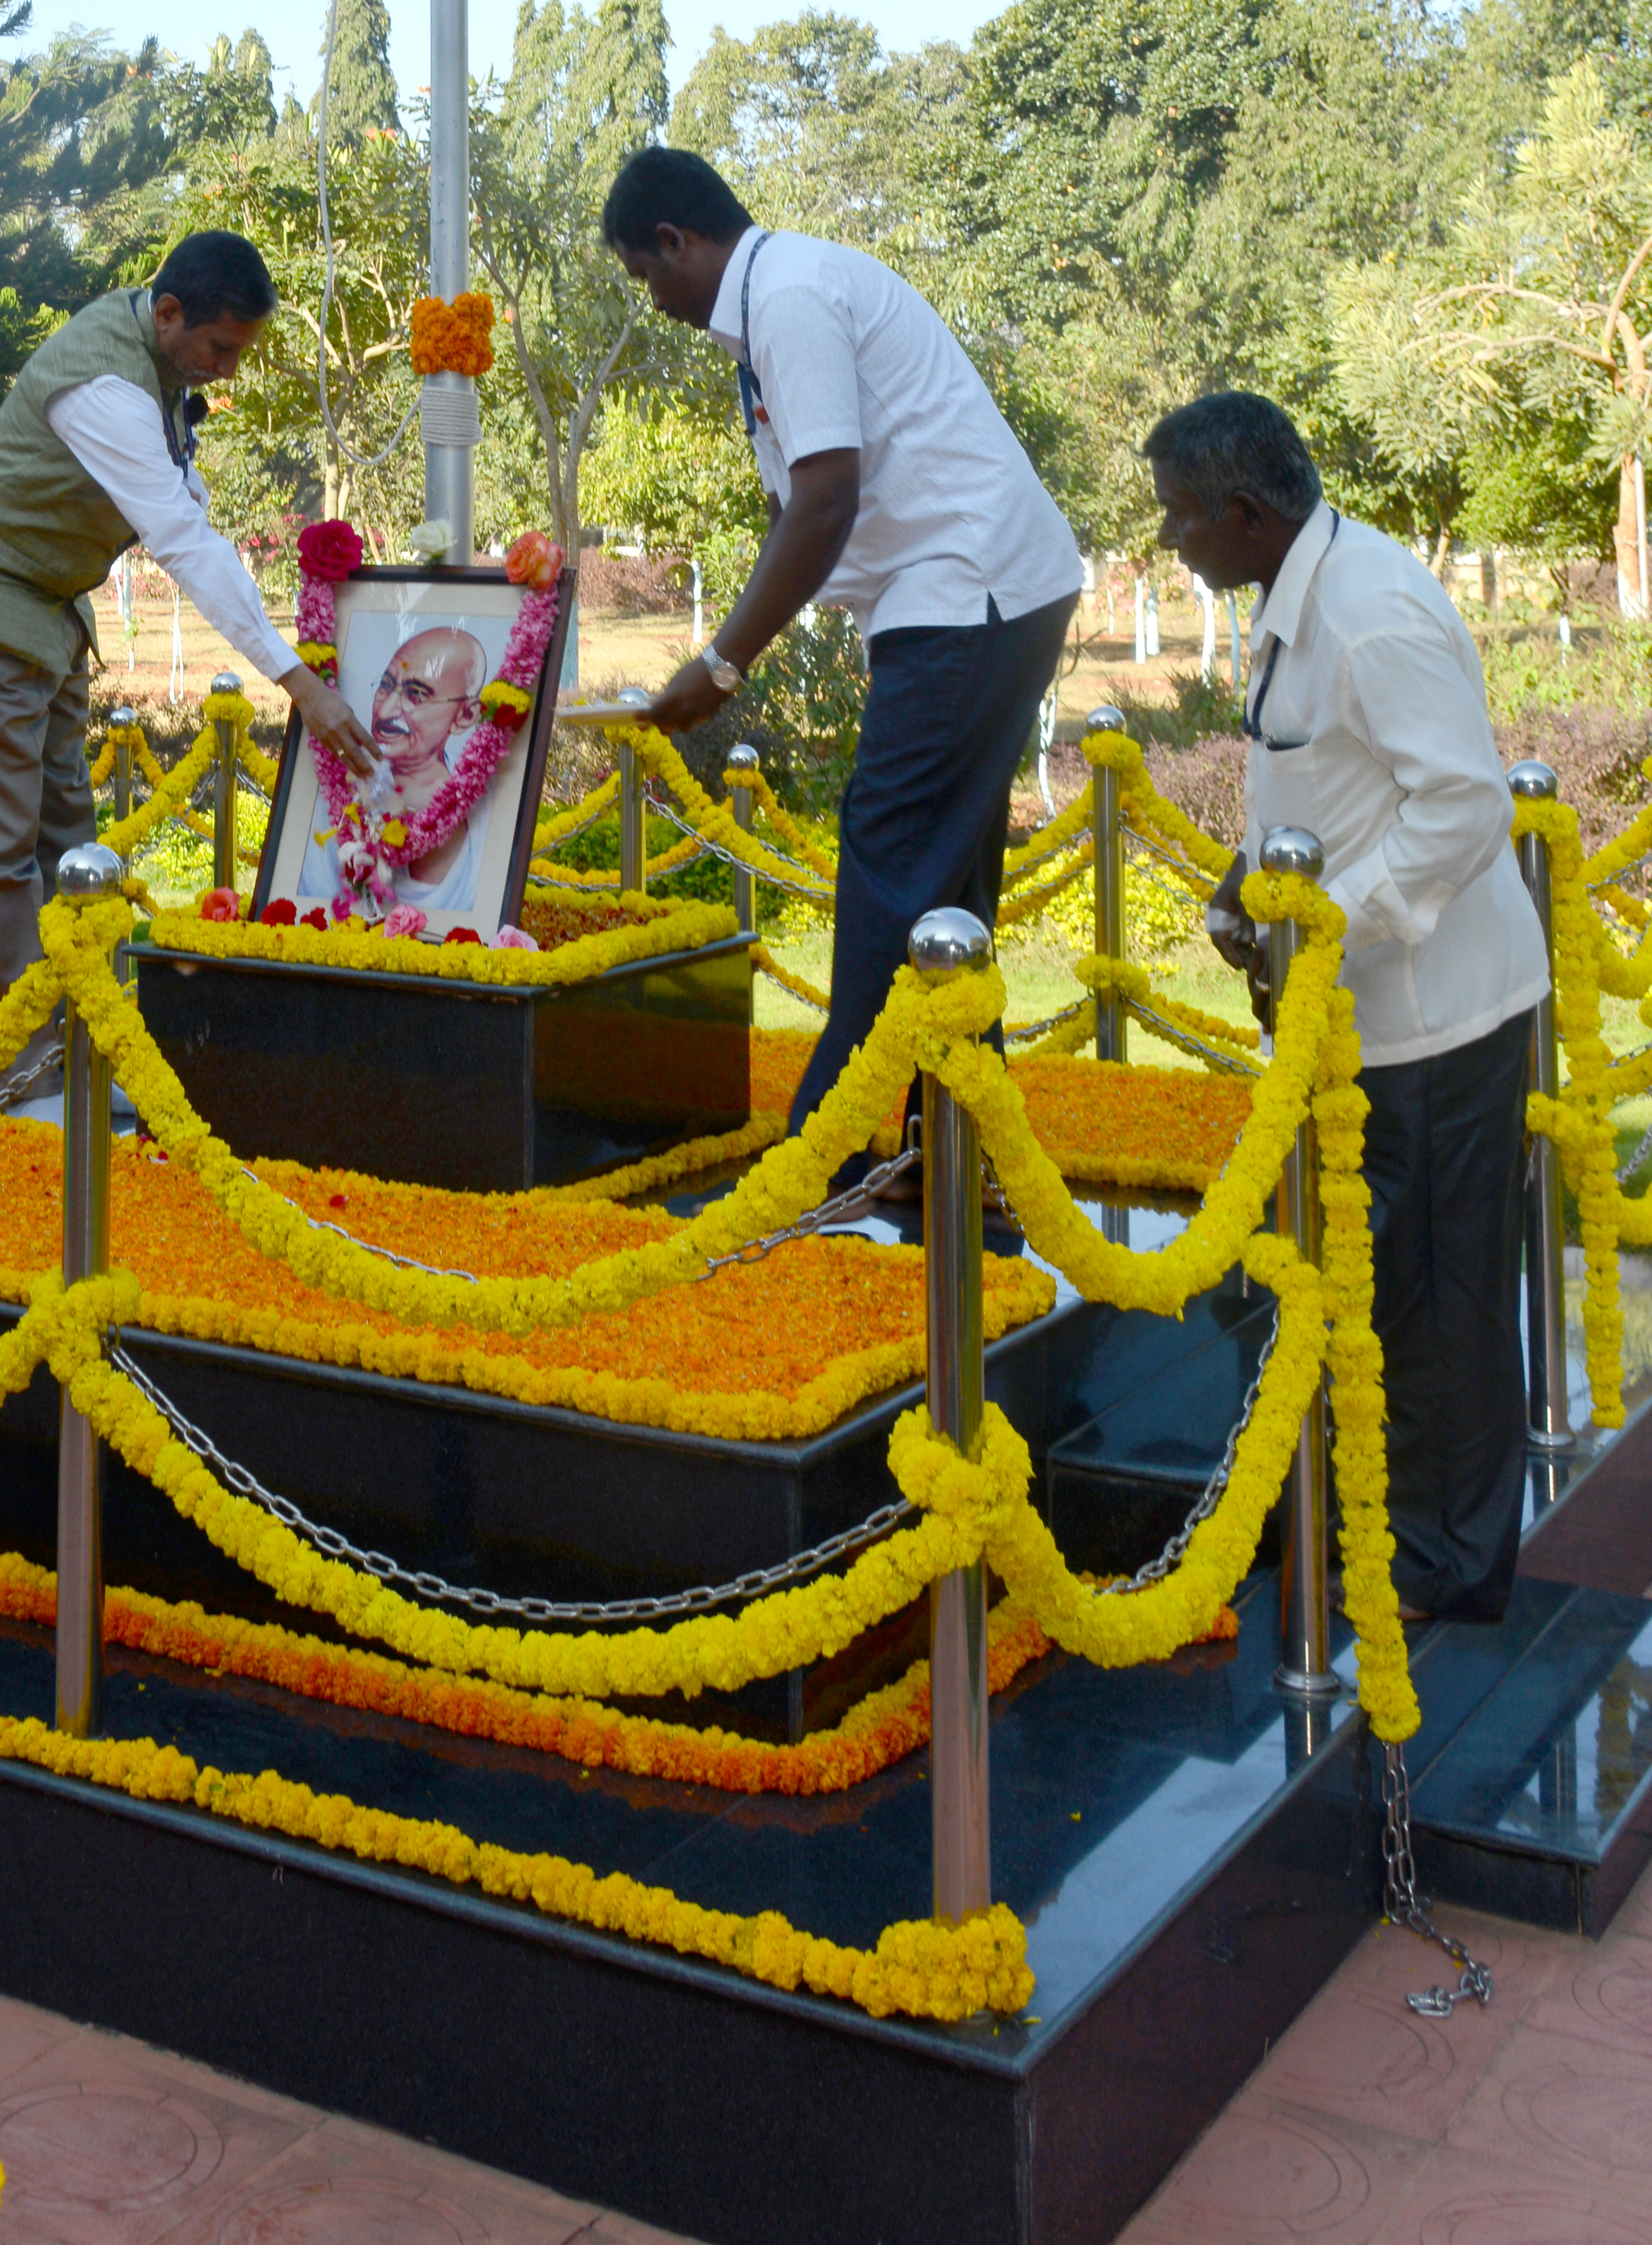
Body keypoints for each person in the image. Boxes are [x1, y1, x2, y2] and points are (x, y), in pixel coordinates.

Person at [1148, 389, 1545, 1627]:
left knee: (1439, 1301)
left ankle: (1447, 1563)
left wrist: (1325, 919)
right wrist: (1245, 881)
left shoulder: (1368, 613)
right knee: (1386, 1286)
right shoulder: (1298, 588)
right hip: (1365, 1020)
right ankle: (1385, 1522)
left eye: (1177, 516)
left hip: (1433, 1017)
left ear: (1246, 511)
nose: (1171, 540)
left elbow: (1462, 806)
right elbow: (1323, 774)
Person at [599, 145, 1081, 1148]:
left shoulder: (791, 298)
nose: (653, 302)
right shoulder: (775, 306)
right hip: (964, 596)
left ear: (677, 241)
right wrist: (726, 656)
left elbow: (826, 503)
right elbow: (794, 513)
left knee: (891, 859)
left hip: (972, 591)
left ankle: (829, 1146)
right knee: (945, 888)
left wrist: (723, 665)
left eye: (648, 276)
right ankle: (953, 1140)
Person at [0, 234, 376, 1116]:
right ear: (169, 314)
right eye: (220, 350)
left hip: (47, 620)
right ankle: (18, 1083)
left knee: (67, 854)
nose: (227, 371)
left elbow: (186, 506)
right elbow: (180, 540)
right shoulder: (104, 384)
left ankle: (84, 1052)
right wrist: (300, 683)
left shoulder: (157, 356)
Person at [292, 617, 495, 926]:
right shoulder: (327, 786)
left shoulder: (490, 811)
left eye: (416, 694)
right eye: (386, 686)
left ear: (466, 716)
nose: (386, 711)